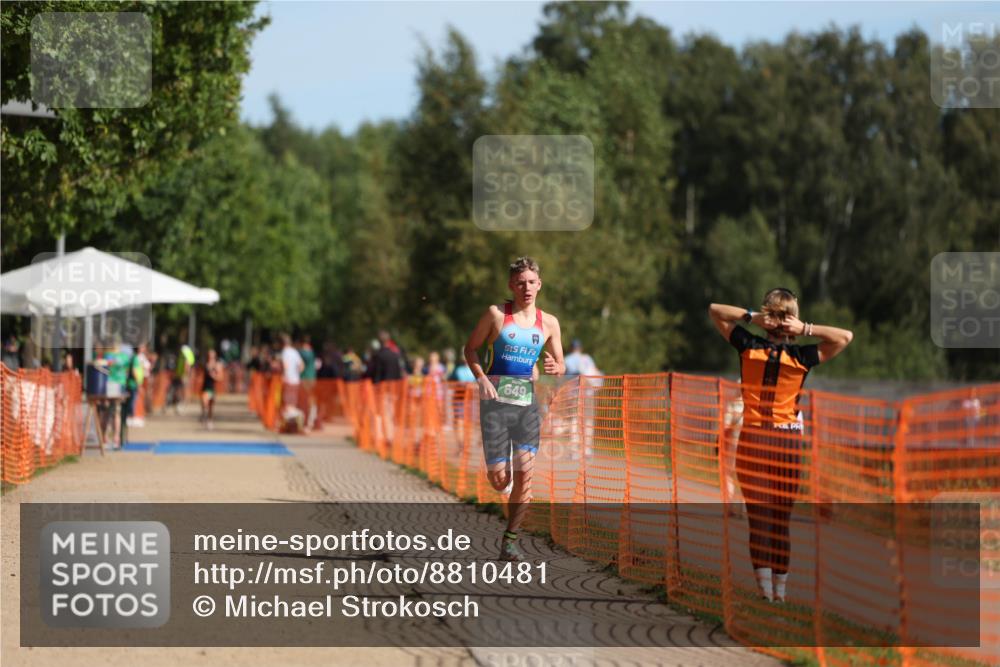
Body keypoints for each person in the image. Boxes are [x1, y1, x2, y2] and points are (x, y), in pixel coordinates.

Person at [709, 288, 853, 603]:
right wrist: (807, 330)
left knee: (759, 520)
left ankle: (765, 595)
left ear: (767, 316)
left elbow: (715, 310)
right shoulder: (802, 356)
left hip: (754, 440)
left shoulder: (748, 345)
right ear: (793, 318)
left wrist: (751, 317)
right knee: (779, 522)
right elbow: (845, 336)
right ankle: (780, 595)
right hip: (787, 442)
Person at [464, 256, 565, 562]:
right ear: (511, 285)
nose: (527, 288)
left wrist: (555, 365)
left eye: (532, 282)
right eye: (520, 283)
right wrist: (481, 378)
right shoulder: (496, 316)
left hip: (526, 406)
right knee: (500, 480)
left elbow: (560, 363)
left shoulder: (549, 323)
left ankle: (510, 542)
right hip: (495, 405)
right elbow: (470, 349)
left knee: (525, 476)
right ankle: (500, 472)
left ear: (540, 285)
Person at [199, 348, 223, 429]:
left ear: (214, 356)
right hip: (205, 387)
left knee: (210, 407)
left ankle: (210, 420)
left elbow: (220, 377)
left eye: (212, 355)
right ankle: (203, 415)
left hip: (212, 388)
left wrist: (214, 376)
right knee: (204, 402)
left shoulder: (217, 365)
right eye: (209, 355)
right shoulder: (205, 364)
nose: (210, 356)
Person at [298, 335, 318, 429]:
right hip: (311, 378)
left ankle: (308, 421)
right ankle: (310, 420)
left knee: (306, 400)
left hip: (306, 378)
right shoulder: (312, 352)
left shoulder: (304, 352)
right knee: (310, 399)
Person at [279, 333, 304, 409]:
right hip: (296, 380)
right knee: (293, 400)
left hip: (287, 380)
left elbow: (285, 366)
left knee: (287, 400)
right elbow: (302, 366)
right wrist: (296, 374)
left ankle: (289, 417)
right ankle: (293, 417)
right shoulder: (295, 352)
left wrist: (284, 375)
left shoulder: (284, 352)